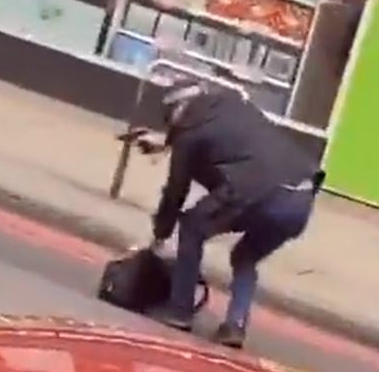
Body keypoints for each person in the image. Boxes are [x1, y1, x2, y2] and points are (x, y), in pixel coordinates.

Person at [137, 78, 324, 348]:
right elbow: (233, 143)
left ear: (177, 109)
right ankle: (235, 326)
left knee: (192, 225)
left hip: (258, 192)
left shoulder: (189, 132)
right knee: (245, 256)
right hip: (300, 198)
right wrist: (169, 143)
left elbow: (175, 192)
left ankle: (179, 310)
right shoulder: (233, 105)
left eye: (169, 117)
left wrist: (161, 234)